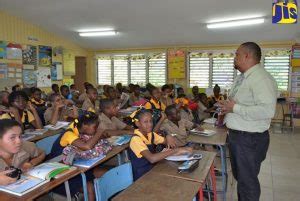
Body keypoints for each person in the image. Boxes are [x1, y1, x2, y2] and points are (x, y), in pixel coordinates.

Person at [219, 42, 277, 201]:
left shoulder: (261, 78)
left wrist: (235, 108)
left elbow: (267, 111)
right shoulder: (242, 77)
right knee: (242, 178)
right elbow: (240, 103)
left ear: (247, 56)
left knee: (247, 182)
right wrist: (228, 107)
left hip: (249, 139)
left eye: (237, 54)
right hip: (239, 136)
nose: (234, 58)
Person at [128, 108, 192, 180]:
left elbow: (169, 142)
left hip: (152, 170)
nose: (149, 124)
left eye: (151, 121)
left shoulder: (151, 135)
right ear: (137, 123)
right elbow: (152, 158)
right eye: (145, 122)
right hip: (142, 176)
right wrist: (176, 151)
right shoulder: (136, 139)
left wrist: (168, 136)